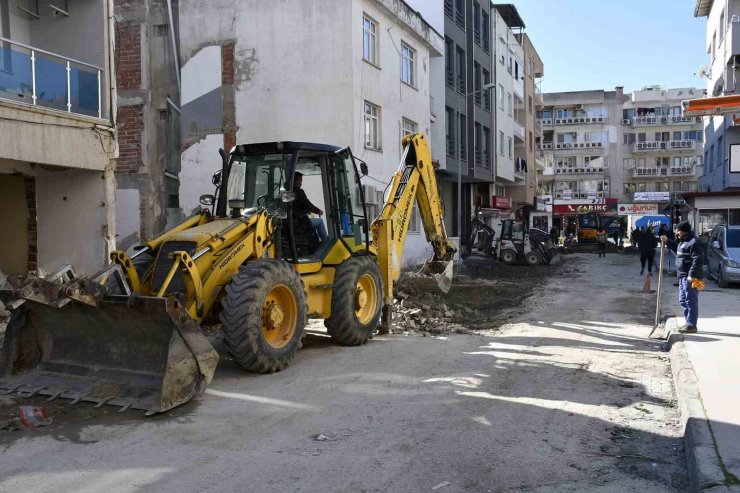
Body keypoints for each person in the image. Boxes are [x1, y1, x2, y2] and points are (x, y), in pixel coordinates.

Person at [661, 221, 704, 333]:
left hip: (691, 277)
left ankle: (691, 325)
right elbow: (677, 248)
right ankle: (688, 322)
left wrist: (692, 275)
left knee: (690, 301)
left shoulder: (694, 242)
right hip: (682, 276)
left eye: (678, 230)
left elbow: (698, 260)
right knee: (683, 300)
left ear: (684, 231)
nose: (676, 232)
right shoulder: (682, 241)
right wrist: (667, 241)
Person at [293, 172, 327, 243]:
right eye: (300, 180)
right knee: (320, 221)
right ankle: (325, 243)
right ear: (295, 181)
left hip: (292, 221)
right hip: (299, 222)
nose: (301, 183)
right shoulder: (298, 192)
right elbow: (307, 204)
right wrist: (318, 211)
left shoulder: (284, 191)